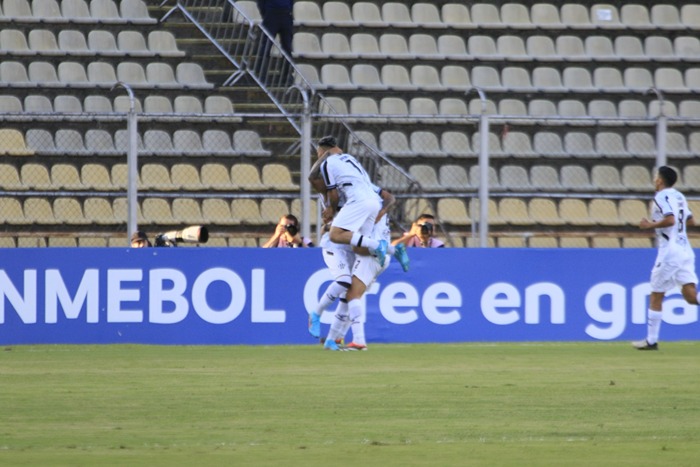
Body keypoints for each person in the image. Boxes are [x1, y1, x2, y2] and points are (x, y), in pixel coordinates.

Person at [633, 166, 699, 350]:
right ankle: (651, 341)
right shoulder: (679, 196)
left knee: (656, 294)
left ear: (660, 180)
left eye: (656, 177)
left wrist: (649, 225)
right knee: (691, 296)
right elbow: (691, 220)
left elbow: (670, 219)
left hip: (670, 251)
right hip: (685, 249)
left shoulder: (661, 197)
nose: (655, 180)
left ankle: (651, 341)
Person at [255, 0, 294, 84]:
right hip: (272, 13)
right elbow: (261, 3)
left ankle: (287, 76)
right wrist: (266, 13)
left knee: (287, 47)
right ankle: (261, 74)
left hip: (285, 14)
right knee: (266, 46)